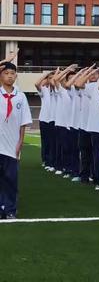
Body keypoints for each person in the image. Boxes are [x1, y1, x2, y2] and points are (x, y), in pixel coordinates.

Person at [0, 62, 33, 219]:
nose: (9, 76)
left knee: (11, 180)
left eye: (12, 73)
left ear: (16, 76)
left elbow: (23, 122)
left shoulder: (21, 96)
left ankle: (10, 209)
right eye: (6, 73)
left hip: (12, 146)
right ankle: (1, 207)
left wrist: (20, 141)